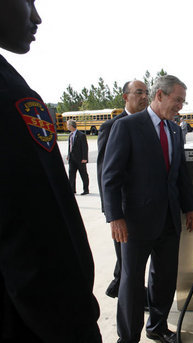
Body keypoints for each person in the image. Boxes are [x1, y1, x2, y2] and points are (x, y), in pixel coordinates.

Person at [0, 1, 101, 342]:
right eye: (26, 0)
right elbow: (41, 228)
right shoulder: (10, 96)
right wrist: (77, 323)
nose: (36, 16)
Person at [103, 75, 193, 343]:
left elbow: (180, 176)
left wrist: (189, 207)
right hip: (134, 222)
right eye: (177, 99)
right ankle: (128, 337)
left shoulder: (176, 130)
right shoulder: (128, 127)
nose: (181, 105)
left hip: (169, 219)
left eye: (183, 100)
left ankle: (157, 326)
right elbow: (111, 177)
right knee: (131, 283)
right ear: (159, 95)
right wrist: (115, 217)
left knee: (165, 278)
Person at [97, 79, 149, 298]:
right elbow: (105, 173)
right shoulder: (112, 126)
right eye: (138, 92)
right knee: (126, 258)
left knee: (128, 261)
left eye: (146, 92)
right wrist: (112, 213)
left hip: (145, 206)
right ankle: (128, 294)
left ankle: (120, 285)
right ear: (126, 97)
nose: (144, 96)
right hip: (123, 208)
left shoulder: (150, 125)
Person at [67, 119, 89, 195]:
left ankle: (86, 189)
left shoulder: (81, 135)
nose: (67, 127)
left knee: (83, 174)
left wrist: (84, 158)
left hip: (80, 159)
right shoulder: (70, 135)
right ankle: (72, 189)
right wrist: (68, 155)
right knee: (71, 174)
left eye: (68, 125)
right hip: (72, 159)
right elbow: (70, 146)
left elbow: (85, 147)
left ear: (71, 126)